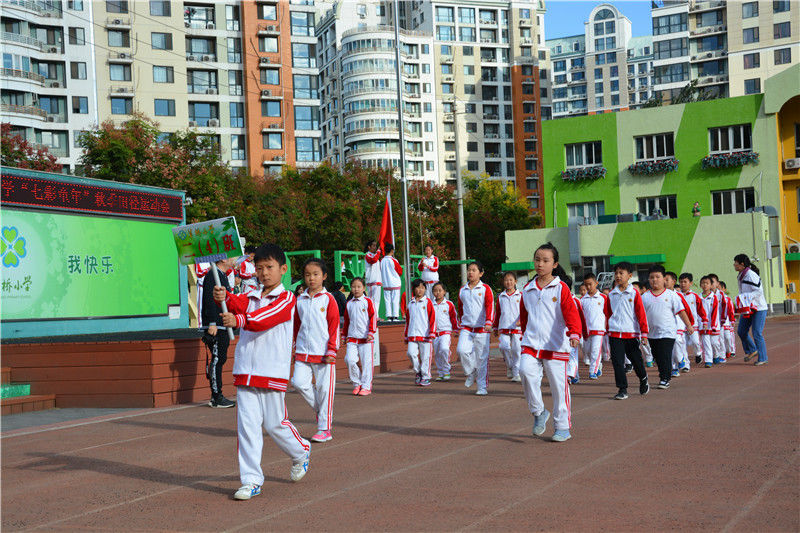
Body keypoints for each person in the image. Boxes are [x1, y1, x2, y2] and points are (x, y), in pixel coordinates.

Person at [214, 243, 310, 501]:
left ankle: (301, 452)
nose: (264, 273)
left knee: (274, 424)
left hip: (271, 371)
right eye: (259, 268)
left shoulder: (287, 298)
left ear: (283, 269)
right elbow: (237, 304)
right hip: (245, 371)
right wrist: (224, 297)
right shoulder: (252, 295)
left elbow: (266, 318)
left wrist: (240, 320)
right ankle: (251, 480)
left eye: (269, 267)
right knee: (247, 427)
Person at [518, 243, 582, 442]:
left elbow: (571, 313)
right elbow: (524, 316)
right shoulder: (527, 288)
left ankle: (562, 427)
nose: (540, 264)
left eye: (545, 260)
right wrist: (525, 334)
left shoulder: (560, 287)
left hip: (555, 344)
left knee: (558, 388)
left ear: (555, 264)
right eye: (537, 259)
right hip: (531, 343)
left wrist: (574, 334)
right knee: (525, 372)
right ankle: (539, 412)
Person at [292, 258, 340, 443]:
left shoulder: (329, 299)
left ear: (324, 276)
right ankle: (322, 412)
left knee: (324, 390)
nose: (311, 278)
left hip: (323, 353)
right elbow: (296, 326)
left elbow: (334, 326)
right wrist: (295, 347)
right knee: (298, 382)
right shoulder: (300, 300)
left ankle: (324, 429)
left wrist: (331, 350)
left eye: (315, 274)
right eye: (307, 275)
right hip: (303, 351)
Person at [642, 266, 694, 389]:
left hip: (668, 332)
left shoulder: (671, 295)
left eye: (657, 277)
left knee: (665, 354)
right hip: (652, 333)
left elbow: (681, 311)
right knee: (657, 356)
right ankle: (664, 373)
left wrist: (688, 325)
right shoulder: (644, 297)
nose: (654, 280)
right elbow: (640, 316)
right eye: (652, 277)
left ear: (664, 279)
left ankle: (665, 378)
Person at [605, 262, 650, 400]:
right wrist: (608, 329)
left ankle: (643, 378)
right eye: (616, 273)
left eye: (621, 273)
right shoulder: (611, 294)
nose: (618, 276)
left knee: (636, 360)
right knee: (618, 362)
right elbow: (607, 313)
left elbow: (641, 314)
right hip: (614, 333)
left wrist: (644, 333)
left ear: (629, 276)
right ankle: (622, 389)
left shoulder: (634, 293)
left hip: (631, 333)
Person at [201, 256, 237, 408]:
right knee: (217, 359)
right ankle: (216, 396)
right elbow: (210, 300)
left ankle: (218, 395)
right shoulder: (212, 275)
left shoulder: (222, 275)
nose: (235, 259)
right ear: (222, 260)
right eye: (232, 256)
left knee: (220, 358)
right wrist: (212, 323)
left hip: (223, 324)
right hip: (216, 325)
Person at [456, 261, 495, 396]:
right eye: (469, 270)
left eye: (473, 270)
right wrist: (460, 321)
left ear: (481, 273)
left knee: (482, 359)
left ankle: (482, 387)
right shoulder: (463, 290)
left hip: (482, 329)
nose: (470, 272)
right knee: (461, 351)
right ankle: (471, 372)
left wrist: (489, 322)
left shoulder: (485, 289)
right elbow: (460, 308)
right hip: (467, 328)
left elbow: (490, 306)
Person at [342, 277, 377, 396]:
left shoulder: (368, 301)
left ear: (364, 288)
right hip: (352, 338)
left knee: (367, 363)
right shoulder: (349, 304)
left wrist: (371, 332)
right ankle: (357, 383)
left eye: (359, 287)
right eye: (353, 287)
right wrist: (344, 335)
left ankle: (366, 386)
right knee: (349, 359)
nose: (356, 289)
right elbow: (346, 321)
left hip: (366, 338)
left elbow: (373, 317)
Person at [734, 254, 768, 365]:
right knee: (741, 331)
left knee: (757, 333)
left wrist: (746, 297)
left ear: (742, 264)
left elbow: (759, 291)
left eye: (736, 262)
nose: (734, 265)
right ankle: (753, 350)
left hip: (758, 308)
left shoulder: (751, 275)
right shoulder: (741, 275)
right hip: (747, 307)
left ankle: (763, 358)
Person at [404, 278, 437, 386]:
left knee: (425, 357)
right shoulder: (410, 304)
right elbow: (407, 321)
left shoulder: (428, 303)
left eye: (422, 288)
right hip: (412, 335)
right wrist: (406, 336)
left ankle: (425, 376)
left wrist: (432, 332)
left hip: (425, 335)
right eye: (418, 287)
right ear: (413, 289)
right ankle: (418, 371)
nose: (420, 290)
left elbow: (433, 318)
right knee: (411, 353)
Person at [493, 272, 522, 382]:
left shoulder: (521, 296)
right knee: (504, 347)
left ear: (515, 281)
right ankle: (510, 366)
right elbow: (498, 313)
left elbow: (525, 312)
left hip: (517, 328)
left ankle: (516, 373)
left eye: (511, 280)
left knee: (516, 349)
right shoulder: (501, 297)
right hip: (504, 326)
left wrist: (522, 322)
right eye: (506, 280)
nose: (508, 282)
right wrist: (495, 327)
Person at [580, 273, 608, 380]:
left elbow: (607, 313)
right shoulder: (582, 300)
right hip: (586, 330)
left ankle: (593, 371)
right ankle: (598, 365)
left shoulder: (603, 298)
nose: (588, 287)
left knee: (596, 351)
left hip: (599, 329)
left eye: (590, 284)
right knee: (587, 351)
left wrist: (606, 327)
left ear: (596, 283)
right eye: (586, 285)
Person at [677, 272, 707, 370]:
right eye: (681, 282)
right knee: (683, 344)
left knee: (695, 342)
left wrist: (705, 320)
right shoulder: (676, 295)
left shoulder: (695, 296)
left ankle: (698, 353)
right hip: (682, 325)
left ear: (690, 283)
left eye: (685, 282)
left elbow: (701, 310)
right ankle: (686, 365)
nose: (683, 284)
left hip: (693, 324)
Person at [431, 282, 459, 381]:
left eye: (440, 290)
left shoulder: (449, 304)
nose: (437, 293)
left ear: (444, 292)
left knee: (444, 349)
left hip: (445, 332)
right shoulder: (430, 304)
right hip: (434, 334)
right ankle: (441, 372)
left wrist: (456, 329)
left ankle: (446, 370)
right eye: (435, 291)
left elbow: (453, 318)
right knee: (437, 354)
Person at [698, 276, 723, 367]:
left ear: (711, 285)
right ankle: (708, 361)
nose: (705, 285)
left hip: (713, 324)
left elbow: (715, 311)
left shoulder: (714, 297)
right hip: (702, 324)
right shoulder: (699, 297)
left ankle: (716, 355)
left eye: (707, 283)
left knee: (714, 343)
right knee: (706, 343)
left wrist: (712, 324)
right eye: (703, 283)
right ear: (700, 285)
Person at [567, 287, 587, 385]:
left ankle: (570, 375)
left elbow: (581, 317)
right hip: (560, 332)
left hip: (574, 332)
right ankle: (574, 375)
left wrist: (582, 332)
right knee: (565, 355)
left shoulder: (576, 301)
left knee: (572, 354)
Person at [380, 244, 403, 321]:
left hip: (386, 283)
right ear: (392, 251)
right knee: (395, 300)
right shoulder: (394, 260)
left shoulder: (382, 261)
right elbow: (400, 271)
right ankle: (395, 316)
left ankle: (389, 316)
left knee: (387, 300)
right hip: (394, 283)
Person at [719, 281, 737, 359]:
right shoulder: (715, 298)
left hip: (727, 322)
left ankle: (731, 350)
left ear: (724, 289)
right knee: (721, 338)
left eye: (720, 288)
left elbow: (731, 310)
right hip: (719, 322)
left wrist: (732, 320)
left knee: (728, 337)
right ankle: (723, 352)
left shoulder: (727, 299)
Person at [364, 240, 383, 311]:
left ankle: (376, 315)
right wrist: (378, 251)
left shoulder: (376, 256)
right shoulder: (368, 255)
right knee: (372, 300)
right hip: (371, 281)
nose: (375, 247)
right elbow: (373, 260)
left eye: (376, 246)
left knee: (377, 300)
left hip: (377, 281)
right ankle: (372, 315)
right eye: (374, 246)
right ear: (369, 247)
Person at [195, 261, 211, 327]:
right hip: (201, 287)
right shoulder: (198, 260)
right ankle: (200, 326)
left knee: (209, 307)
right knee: (200, 308)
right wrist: (208, 269)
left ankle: (208, 325)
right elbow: (198, 273)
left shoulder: (209, 260)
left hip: (209, 286)